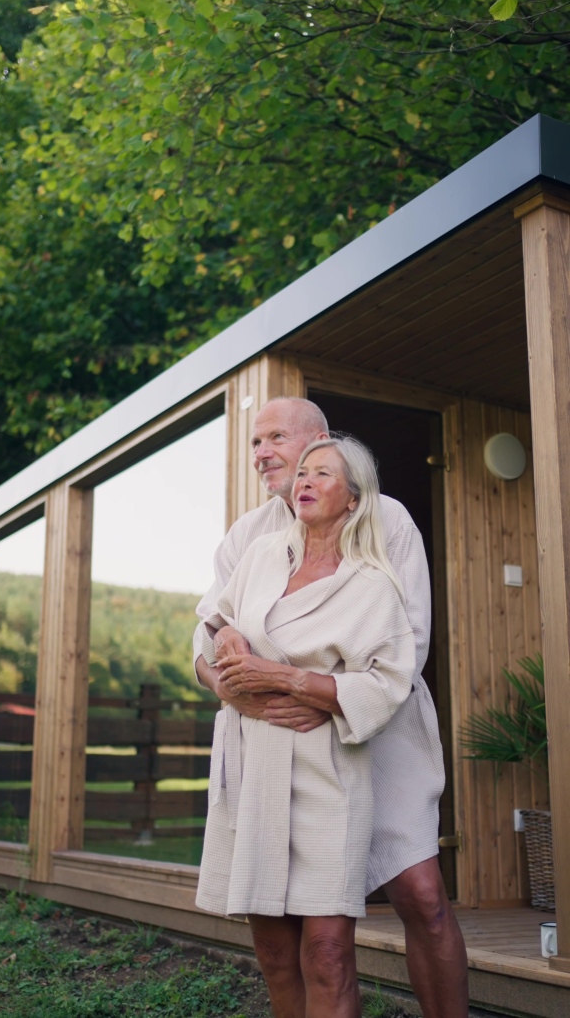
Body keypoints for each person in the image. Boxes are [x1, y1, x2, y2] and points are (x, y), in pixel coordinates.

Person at [194, 397, 468, 1018]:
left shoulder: (386, 521)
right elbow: (210, 631)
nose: (261, 453)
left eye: (274, 438)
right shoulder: (251, 536)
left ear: (320, 443)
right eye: (255, 442)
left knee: (422, 895)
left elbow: (409, 640)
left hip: (378, 732)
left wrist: (322, 696)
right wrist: (236, 688)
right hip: (275, 741)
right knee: (285, 924)